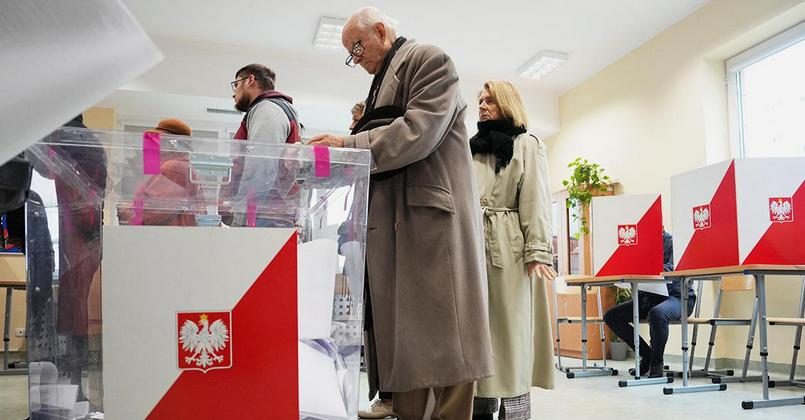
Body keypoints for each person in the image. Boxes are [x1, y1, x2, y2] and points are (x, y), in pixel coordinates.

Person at [310, 7, 493, 419]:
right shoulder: (381, 81)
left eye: (357, 47)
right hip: (396, 220)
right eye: (350, 53)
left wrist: (346, 145)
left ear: (380, 31)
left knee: (447, 334)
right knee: (408, 334)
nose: (355, 58)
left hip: (429, 217)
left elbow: (417, 131)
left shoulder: (429, 60)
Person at [469, 81, 557, 420]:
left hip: (510, 250)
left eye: (490, 100)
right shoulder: (472, 148)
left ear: (507, 104)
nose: (482, 105)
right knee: (479, 332)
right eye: (480, 100)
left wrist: (537, 251)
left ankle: (515, 411)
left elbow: (535, 200)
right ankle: (480, 406)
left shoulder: (527, 144)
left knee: (510, 333)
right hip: (473, 246)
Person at [603, 230, 697, 377]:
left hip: (678, 297)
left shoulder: (672, 243)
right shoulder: (641, 246)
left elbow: (672, 268)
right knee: (612, 316)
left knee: (657, 313)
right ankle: (647, 356)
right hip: (650, 298)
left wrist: (644, 267)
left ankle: (656, 363)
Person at [226, 63, 301, 227]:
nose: (234, 93)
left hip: (262, 215)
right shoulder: (277, 109)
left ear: (250, 80)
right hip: (269, 213)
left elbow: (260, 168)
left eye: (236, 84)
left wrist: (242, 219)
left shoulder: (267, 109)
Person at [117, 118, 198, 226]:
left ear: (172, 145)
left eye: (157, 141)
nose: (151, 146)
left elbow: (153, 213)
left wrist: (124, 209)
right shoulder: (179, 166)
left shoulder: (173, 167)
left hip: (164, 233)